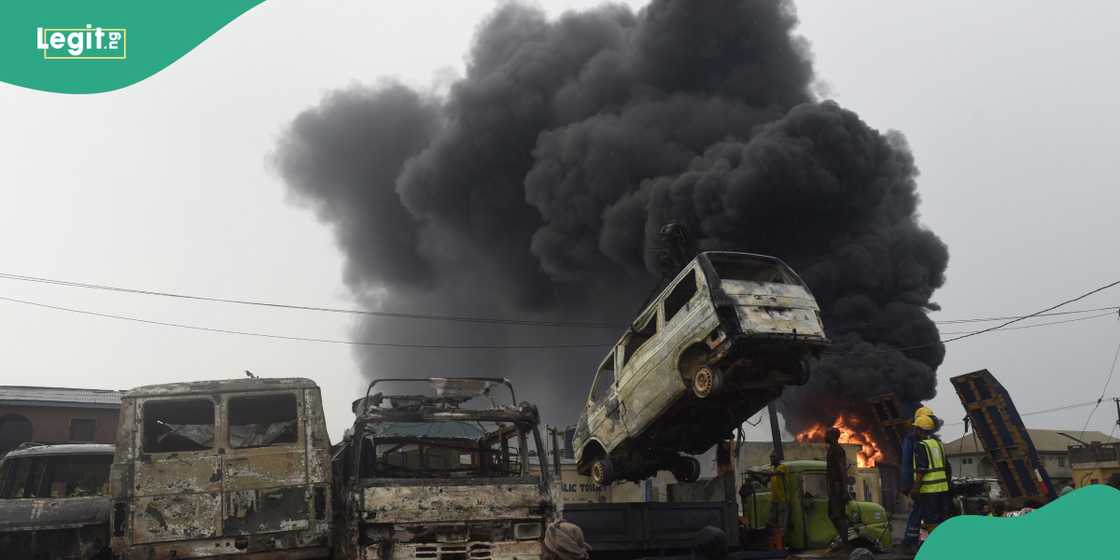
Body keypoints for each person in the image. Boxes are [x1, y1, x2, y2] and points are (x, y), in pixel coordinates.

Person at [903, 415, 952, 550]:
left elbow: (922, 469)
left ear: (920, 430)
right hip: (943, 489)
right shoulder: (939, 444)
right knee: (941, 520)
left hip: (929, 490)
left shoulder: (921, 445)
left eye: (916, 429)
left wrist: (915, 489)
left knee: (930, 521)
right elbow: (946, 467)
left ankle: (935, 548)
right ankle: (945, 545)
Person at [825, 427, 851, 552]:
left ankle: (845, 543)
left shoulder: (837, 450)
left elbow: (842, 470)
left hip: (838, 487)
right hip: (832, 487)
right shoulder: (831, 449)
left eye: (827, 434)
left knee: (839, 516)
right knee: (833, 515)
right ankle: (843, 539)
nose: (824, 436)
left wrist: (844, 490)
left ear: (832, 436)